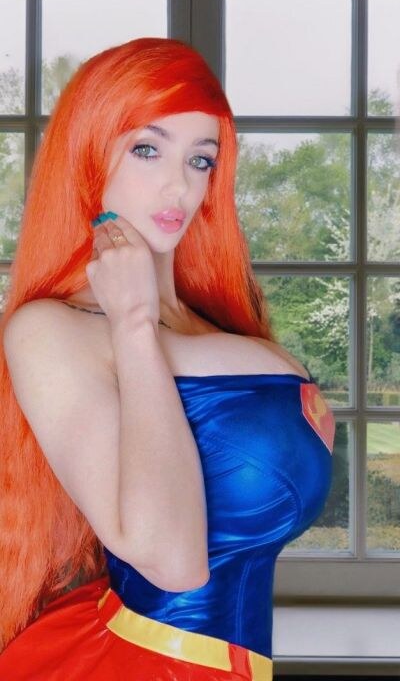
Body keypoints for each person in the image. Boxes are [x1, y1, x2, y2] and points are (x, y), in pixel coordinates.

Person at [0, 37, 335, 680]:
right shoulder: (51, 330)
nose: (179, 185)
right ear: (89, 153)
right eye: (147, 149)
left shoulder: (219, 323)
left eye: (200, 159)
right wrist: (133, 325)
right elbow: (172, 562)